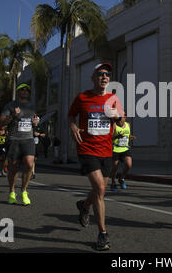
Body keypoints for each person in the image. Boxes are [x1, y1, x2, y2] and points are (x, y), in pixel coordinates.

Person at [69, 62, 123, 251]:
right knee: (100, 188)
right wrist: (74, 126)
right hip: (87, 149)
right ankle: (102, 234)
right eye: (100, 74)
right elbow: (71, 115)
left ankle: (84, 206)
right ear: (93, 77)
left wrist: (117, 117)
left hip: (107, 150)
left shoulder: (113, 98)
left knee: (99, 190)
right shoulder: (82, 97)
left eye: (107, 74)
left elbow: (122, 120)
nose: (104, 77)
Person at [0, 83, 40, 206]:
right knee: (14, 167)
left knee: (29, 164)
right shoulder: (10, 105)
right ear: (18, 92)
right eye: (22, 90)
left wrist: (35, 123)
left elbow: (34, 121)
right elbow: (1, 122)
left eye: (27, 90)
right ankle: (12, 192)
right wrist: (13, 116)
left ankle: (24, 191)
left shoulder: (32, 106)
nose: (25, 92)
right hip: (14, 139)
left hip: (28, 139)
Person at [110, 115, 136, 191]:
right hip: (116, 148)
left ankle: (121, 179)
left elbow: (128, 135)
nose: (121, 121)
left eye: (122, 118)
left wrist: (131, 137)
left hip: (125, 148)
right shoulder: (114, 125)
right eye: (119, 120)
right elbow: (110, 138)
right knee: (115, 167)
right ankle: (113, 183)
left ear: (125, 117)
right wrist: (117, 136)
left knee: (129, 164)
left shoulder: (128, 124)